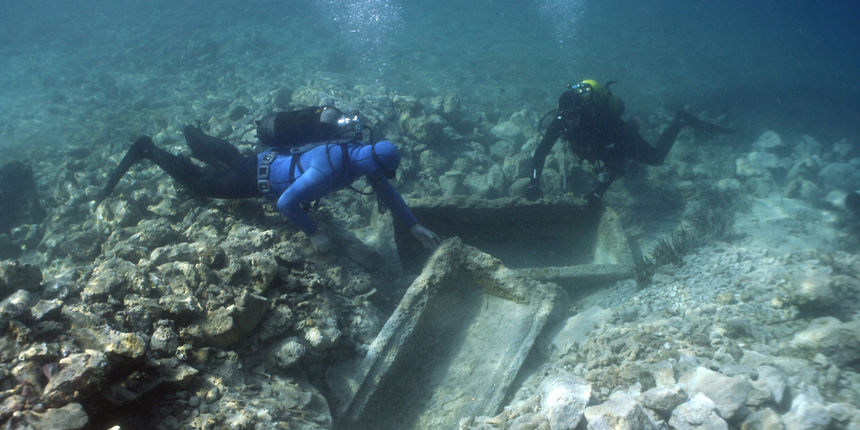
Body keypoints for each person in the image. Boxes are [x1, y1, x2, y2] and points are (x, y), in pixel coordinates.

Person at [98, 106, 441, 253]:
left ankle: (195, 137)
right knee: (201, 185)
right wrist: (314, 233)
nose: (382, 180)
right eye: (382, 174)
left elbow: (388, 192)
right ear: (375, 164)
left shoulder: (355, 151)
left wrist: (412, 225)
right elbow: (285, 203)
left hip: (267, 160)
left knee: (234, 161)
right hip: (256, 181)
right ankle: (149, 150)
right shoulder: (327, 172)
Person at [525, 79, 733, 204]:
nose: (568, 123)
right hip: (595, 143)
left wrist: (598, 193)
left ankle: (680, 121)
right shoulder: (560, 122)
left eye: (572, 118)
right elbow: (540, 153)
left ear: (580, 112)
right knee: (594, 155)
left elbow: (615, 163)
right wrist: (534, 182)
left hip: (615, 135)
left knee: (655, 158)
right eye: (565, 117)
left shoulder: (603, 122)